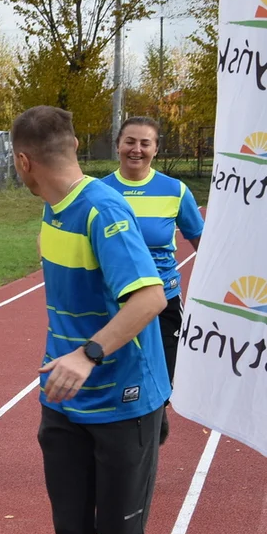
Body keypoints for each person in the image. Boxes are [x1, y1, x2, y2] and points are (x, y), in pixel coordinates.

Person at [13, 106, 170, 534]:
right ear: (75, 145)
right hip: (64, 406)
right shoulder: (53, 212)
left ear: (23, 162)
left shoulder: (103, 211)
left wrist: (86, 355)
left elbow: (150, 297)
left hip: (125, 402)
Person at [98, 117, 203, 445]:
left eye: (145, 143)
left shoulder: (175, 191)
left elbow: (203, 244)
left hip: (164, 301)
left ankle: (154, 416)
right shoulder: (98, 191)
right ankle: (130, 437)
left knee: (164, 378)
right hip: (114, 302)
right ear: (118, 145)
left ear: (156, 149)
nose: (136, 149)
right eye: (130, 141)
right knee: (116, 378)